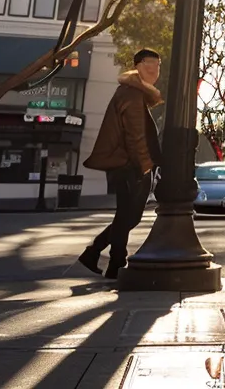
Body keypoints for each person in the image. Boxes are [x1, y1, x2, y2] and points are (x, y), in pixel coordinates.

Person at [77, 49, 164, 278]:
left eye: (157, 66)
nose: (154, 70)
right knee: (128, 216)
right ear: (136, 66)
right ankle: (111, 260)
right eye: (149, 65)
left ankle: (102, 256)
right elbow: (135, 136)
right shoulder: (132, 94)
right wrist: (143, 167)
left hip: (128, 165)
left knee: (126, 216)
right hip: (130, 166)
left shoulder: (134, 93)